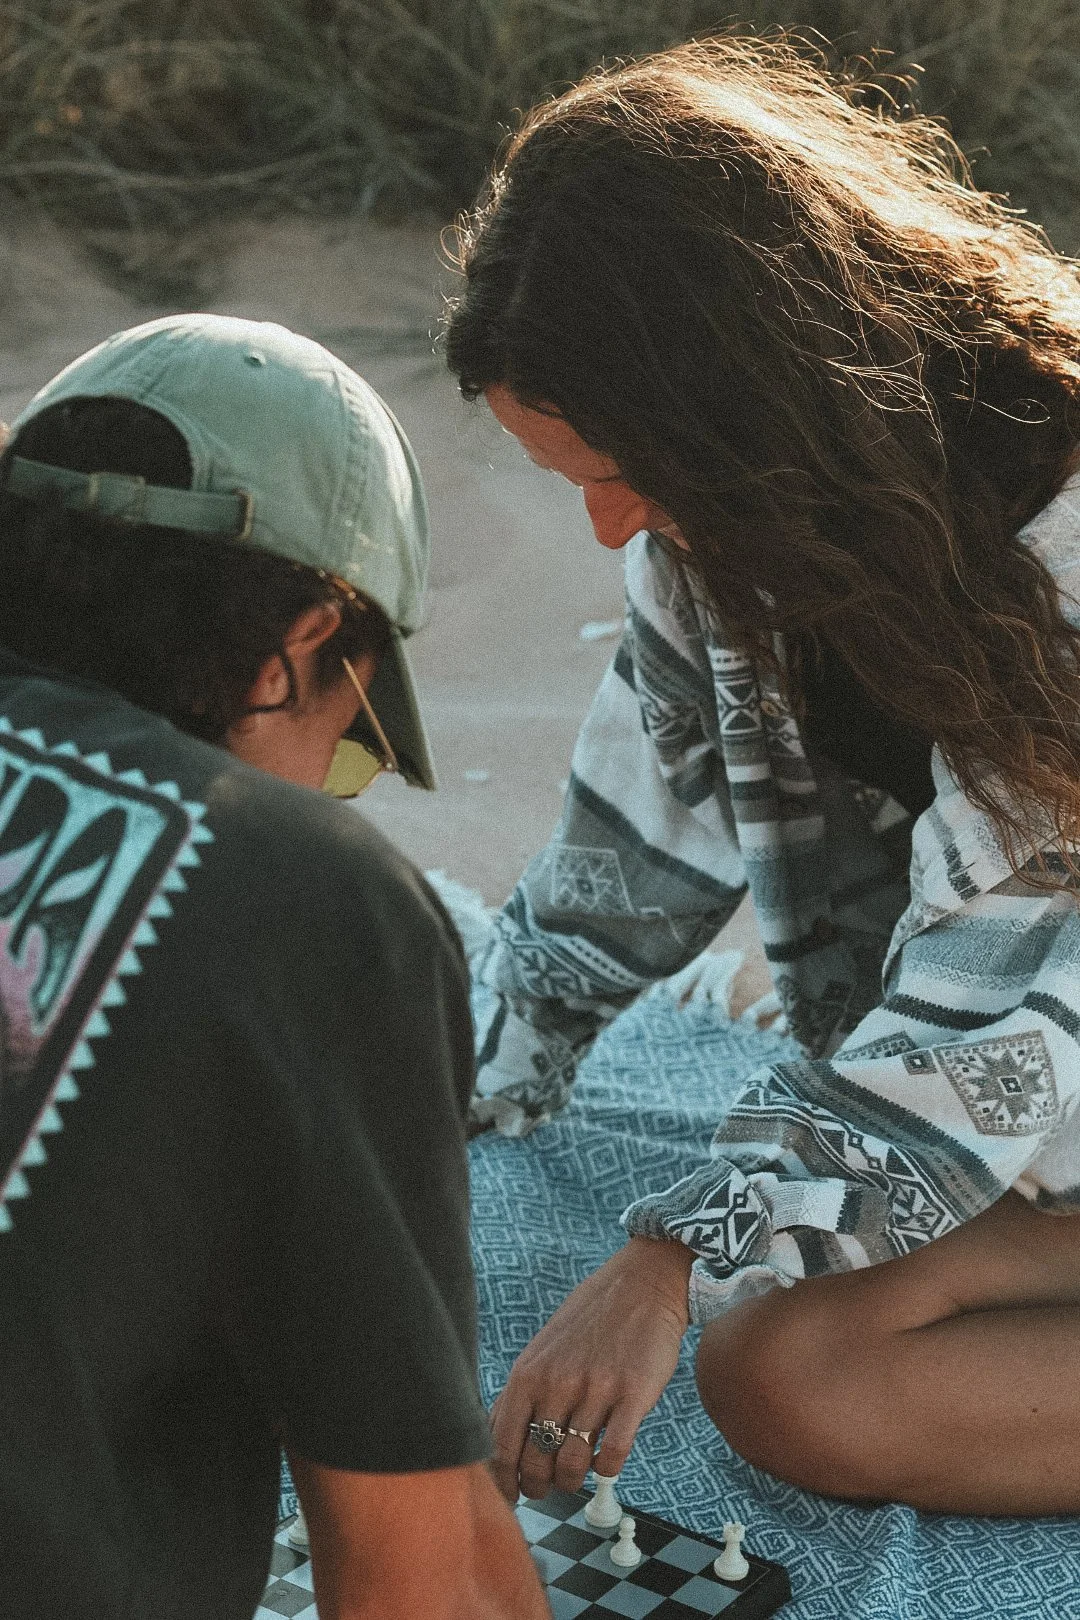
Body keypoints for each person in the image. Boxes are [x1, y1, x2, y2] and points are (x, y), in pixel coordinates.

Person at [443, 35, 1080, 1517]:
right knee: (785, 1361)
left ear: (750, 404)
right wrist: (476, 1074)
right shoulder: (731, 522)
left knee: (766, 1350)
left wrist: (678, 1249)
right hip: (1029, 1127)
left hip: (1032, 1056)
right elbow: (631, 843)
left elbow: (1003, 1010)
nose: (609, 530)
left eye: (626, 472)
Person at [0, 314, 549, 1620]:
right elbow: (416, 1574)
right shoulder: (294, 888)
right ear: (300, 643)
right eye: (353, 744)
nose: (338, 797)